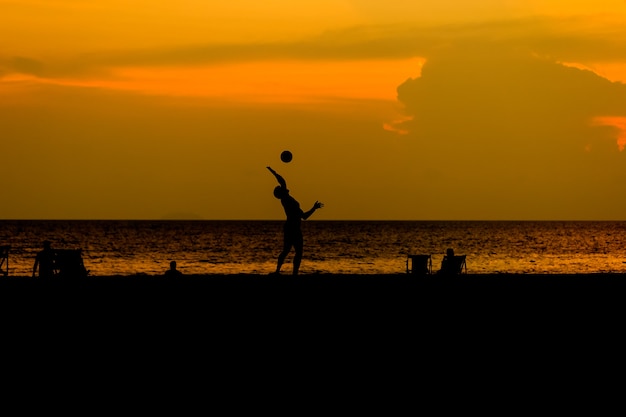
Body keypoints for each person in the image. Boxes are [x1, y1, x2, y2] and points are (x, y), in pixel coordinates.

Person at [267, 166, 323, 275]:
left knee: (291, 251)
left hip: (293, 228)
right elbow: (304, 216)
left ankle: (287, 272)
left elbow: (282, 181)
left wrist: (274, 173)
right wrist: (314, 208)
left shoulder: (288, 198)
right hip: (292, 228)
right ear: (281, 193)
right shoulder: (287, 200)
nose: (284, 187)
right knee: (291, 251)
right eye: (281, 188)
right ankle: (285, 272)